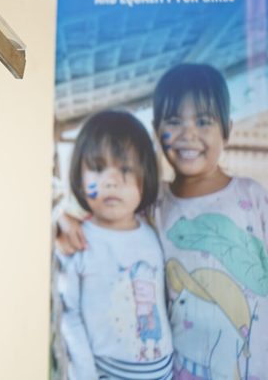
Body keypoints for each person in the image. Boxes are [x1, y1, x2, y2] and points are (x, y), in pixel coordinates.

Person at [57, 64, 268, 380]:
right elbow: (103, 223)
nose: (188, 134)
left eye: (203, 121)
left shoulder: (252, 196)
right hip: (179, 370)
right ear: (157, 131)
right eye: (174, 122)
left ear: (227, 128)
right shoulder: (152, 206)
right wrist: (61, 222)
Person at [57, 110, 173, 380]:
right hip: (107, 372)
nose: (111, 180)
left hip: (164, 369)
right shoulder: (77, 240)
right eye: (97, 168)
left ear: (147, 175)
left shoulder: (154, 229)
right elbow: (69, 315)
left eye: (125, 168)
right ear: (79, 177)